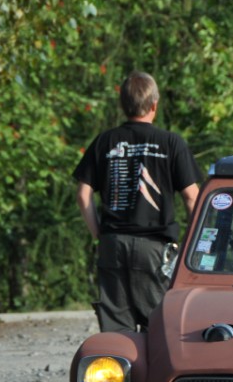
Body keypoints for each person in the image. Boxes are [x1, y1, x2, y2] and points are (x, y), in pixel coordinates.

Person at [74, 71, 202, 332]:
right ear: (155, 104)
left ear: (122, 105)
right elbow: (192, 197)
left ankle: (120, 370)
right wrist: (196, 243)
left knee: (115, 327)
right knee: (159, 324)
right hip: (154, 247)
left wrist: (99, 233)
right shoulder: (171, 143)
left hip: (112, 244)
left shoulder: (104, 141)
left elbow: (83, 193)